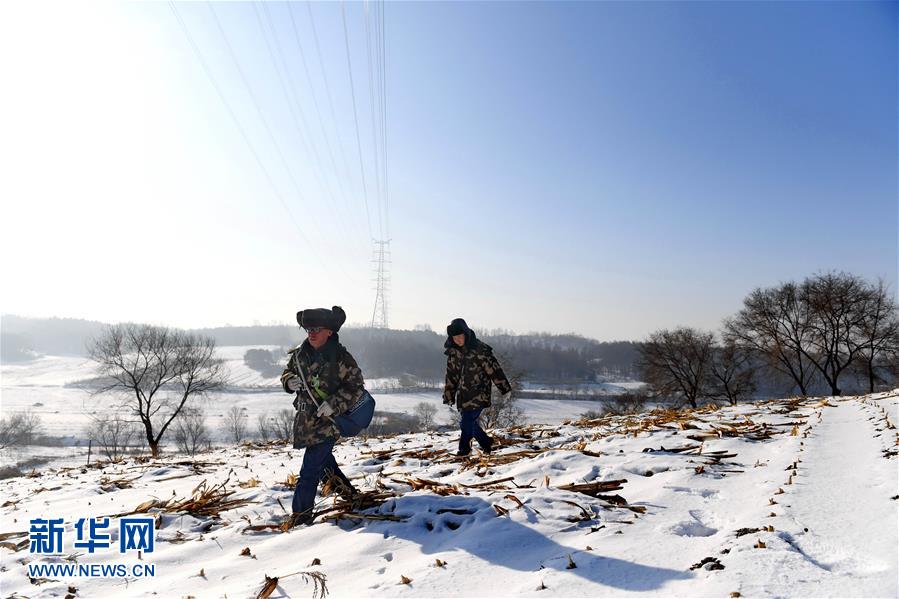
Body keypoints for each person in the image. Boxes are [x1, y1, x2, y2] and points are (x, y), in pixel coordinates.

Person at [280, 305, 364, 526]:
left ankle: (300, 517)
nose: (312, 333)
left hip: (329, 422)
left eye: (317, 328)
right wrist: (288, 381)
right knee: (326, 466)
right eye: (308, 329)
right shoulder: (299, 355)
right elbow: (287, 372)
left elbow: (356, 387)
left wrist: (333, 404)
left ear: (330, 331)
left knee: (309, 469)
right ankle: (352, 497)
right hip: (305, 422)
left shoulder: (341, 358)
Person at [443, 318, 513, 456]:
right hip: (463, 396)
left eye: (459, 336)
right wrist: (449, 395)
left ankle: (464, 451)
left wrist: (505, 388)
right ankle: (486, 442)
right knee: (470, 423)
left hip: (479, 393)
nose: (457, 339)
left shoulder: (479, 349)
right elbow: (451, 376)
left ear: (466, 333)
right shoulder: (453, 352)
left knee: (465, 423)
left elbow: (494, 369)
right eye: (454, 337)